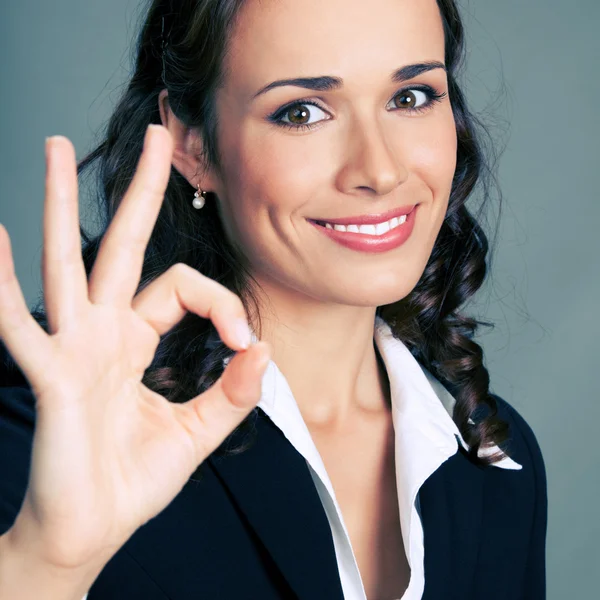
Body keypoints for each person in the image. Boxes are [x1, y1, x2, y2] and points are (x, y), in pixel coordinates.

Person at [0, 0, 547, 598]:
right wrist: (45, 564)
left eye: (411, 97)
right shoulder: (56, 444)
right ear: (192, 144)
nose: (380, 170)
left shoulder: (498, 464)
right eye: (303, 111)